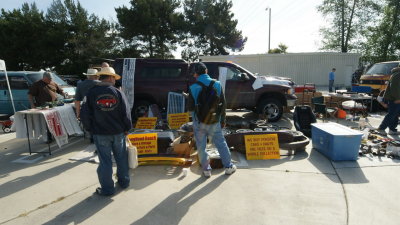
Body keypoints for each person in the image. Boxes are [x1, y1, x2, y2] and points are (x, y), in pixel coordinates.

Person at [81, 67, 132, 196]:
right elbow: (126, 113)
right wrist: (127, 128)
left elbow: (85, 114)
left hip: (100, 133)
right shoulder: (117, 93)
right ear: (109, 77)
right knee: (121, 158)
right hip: (118, 132)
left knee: (105, 161)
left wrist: (90, 129)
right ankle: (124, 182)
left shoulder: (91, 93)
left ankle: (108, 190)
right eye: (114, 77)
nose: (115, 80)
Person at [188, 62, 236, 178]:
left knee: (201, 146)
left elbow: (191, 109)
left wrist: (195, 121)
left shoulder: (193, 87)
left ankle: (206, 170)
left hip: (199, 122)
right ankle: (229, 167)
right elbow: (223, 105)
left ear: (195, 74)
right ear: (206, 71)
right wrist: (223, 120)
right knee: (221, 143)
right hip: (215, 121)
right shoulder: (217, 84)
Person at [376, 67, 400, 135]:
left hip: (395, 98)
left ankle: (392, 129)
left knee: (395, 114)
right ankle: (381, 128)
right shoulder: (397, 75)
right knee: (392, 114)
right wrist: (398, 98)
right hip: (394, 98)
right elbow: (394, 88)